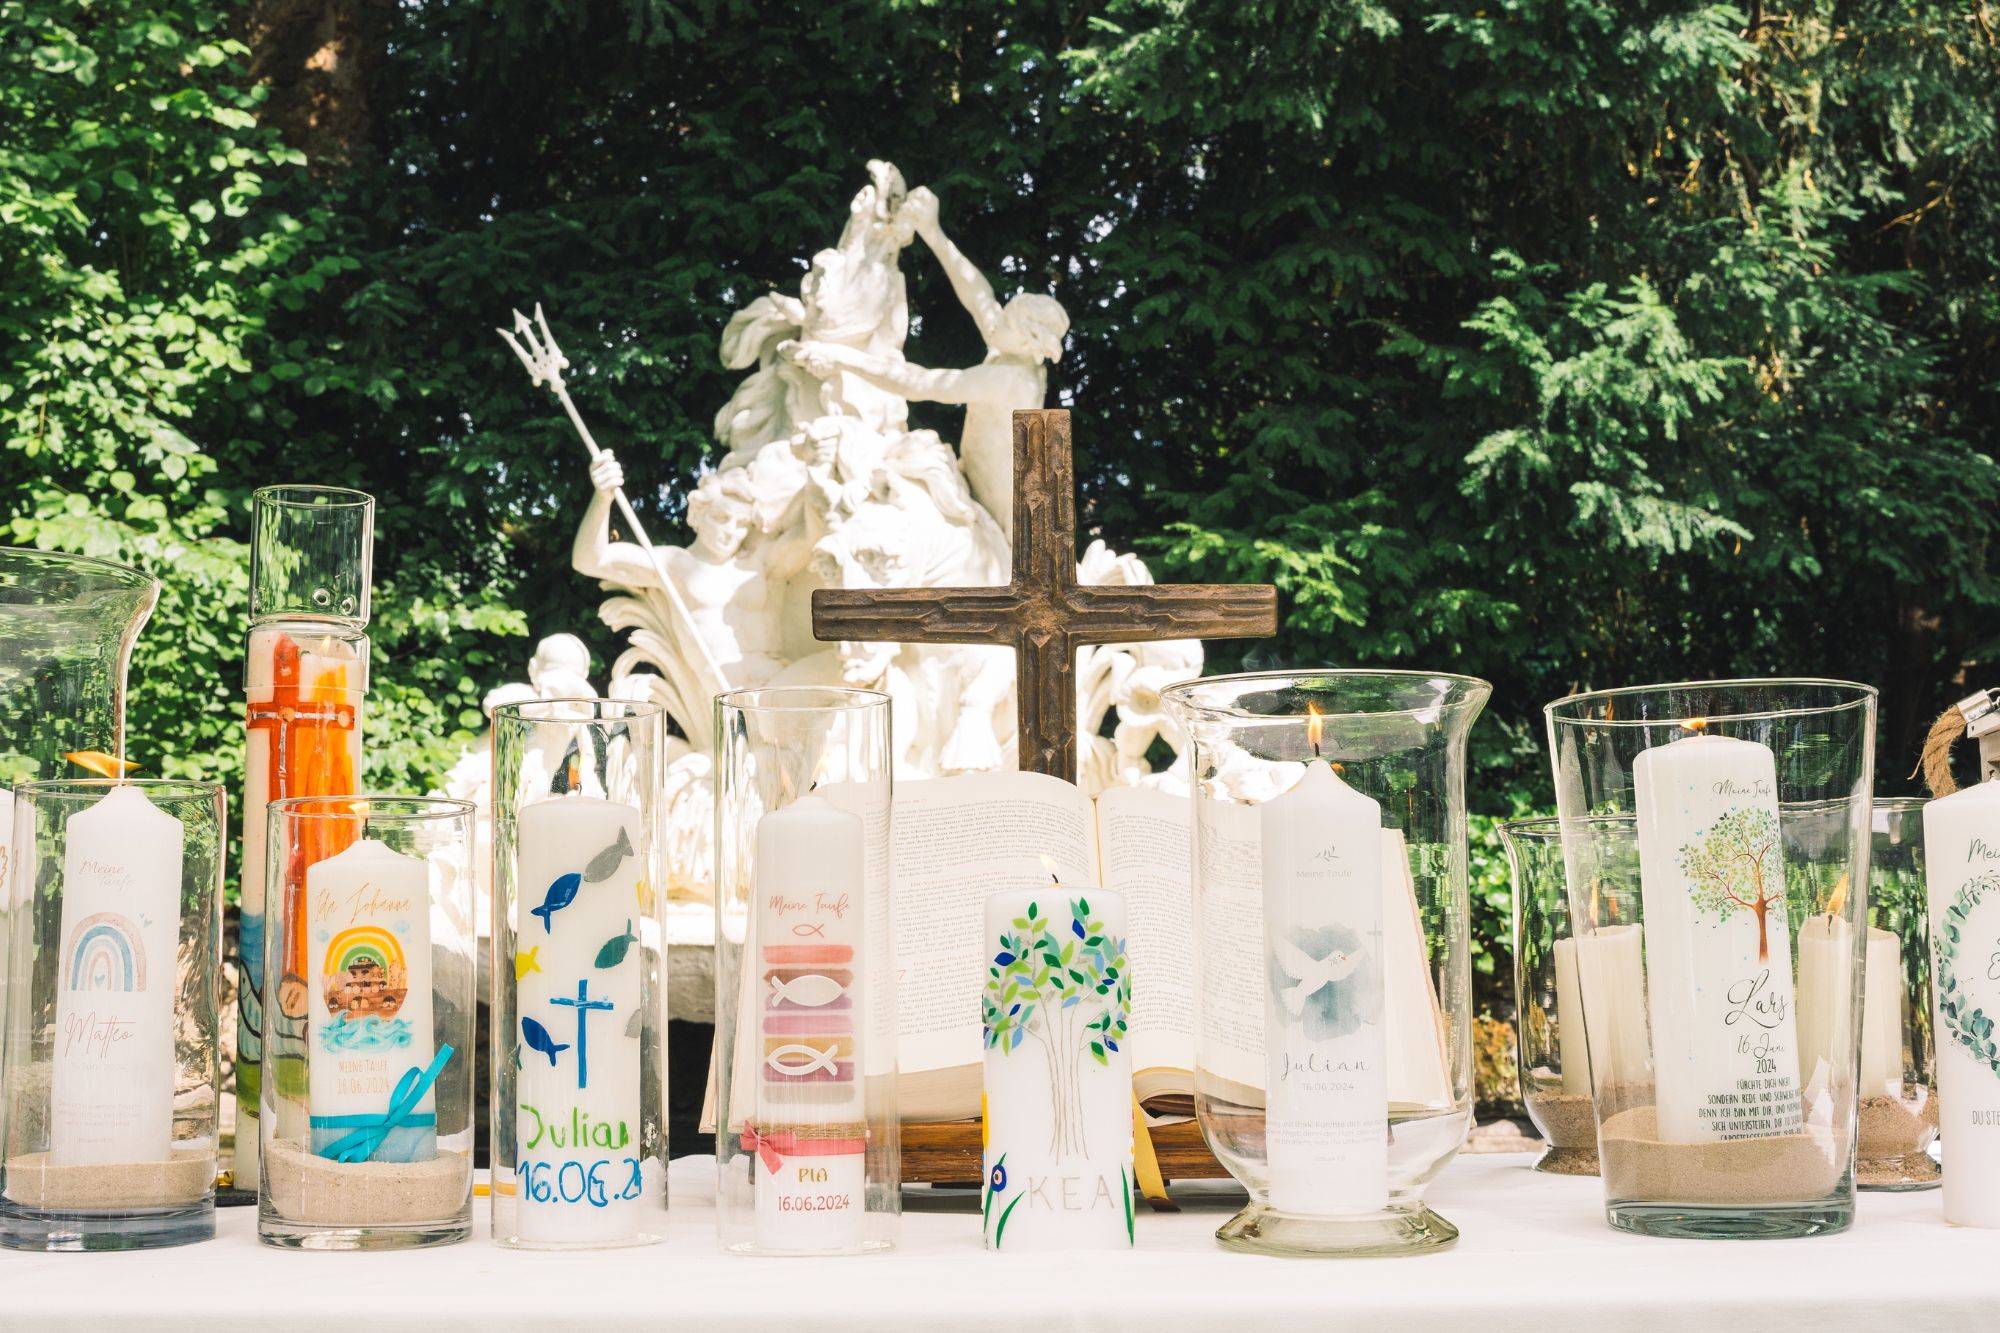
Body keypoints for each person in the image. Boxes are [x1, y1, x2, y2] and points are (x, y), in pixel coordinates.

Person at [778, 186, 1070, 539]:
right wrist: (933, 232)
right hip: (984, 487)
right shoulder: (1012, 350)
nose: (997, 321)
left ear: (1028, 341)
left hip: (1011, 520)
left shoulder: (1012, 380)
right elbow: (979, 296)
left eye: (1006, 322)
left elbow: (920, 383)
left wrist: (842, 357)